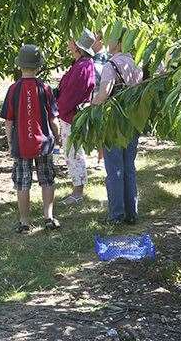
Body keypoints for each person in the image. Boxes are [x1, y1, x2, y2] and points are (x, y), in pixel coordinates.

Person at [1, 45, 61, 233]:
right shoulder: (45, 88)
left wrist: (11, 143)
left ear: (20, 66)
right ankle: (49, 216)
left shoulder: (13, 89)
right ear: (38, 67)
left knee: (22, 182)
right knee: (47, 180)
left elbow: (9, 122)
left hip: (21, 145)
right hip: (43, 144)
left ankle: (25, 221)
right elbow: (53, 119)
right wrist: (57, 137)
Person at [92, 29, 143, 224]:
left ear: (120, 42)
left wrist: (91, 106)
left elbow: (104, 94)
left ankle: (116, 215)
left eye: (112, 38)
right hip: (132, 121)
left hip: (113, 123)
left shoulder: (111, 65)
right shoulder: (136, 63)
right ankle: (132, 213)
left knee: (114, 169)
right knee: (129, 167)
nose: (108, 41)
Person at [56, 29, 96, 205]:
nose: (68, 43)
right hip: (72, 115)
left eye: (71, 40)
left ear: (77, 46)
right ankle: (77, 188)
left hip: (72, 116)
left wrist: (58, 107)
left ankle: (78, 193)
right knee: (72, 152)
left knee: (74, 153)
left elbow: (70, 95)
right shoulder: (81, 64)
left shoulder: (82, 67)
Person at [91, 31, 110, 166]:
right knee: (99, 128)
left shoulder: (104, 57)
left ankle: (102, 156)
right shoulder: (95, 57)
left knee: (102, 128)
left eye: (95, 37)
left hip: (102, 95)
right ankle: (100, 155)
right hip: (98, 95)